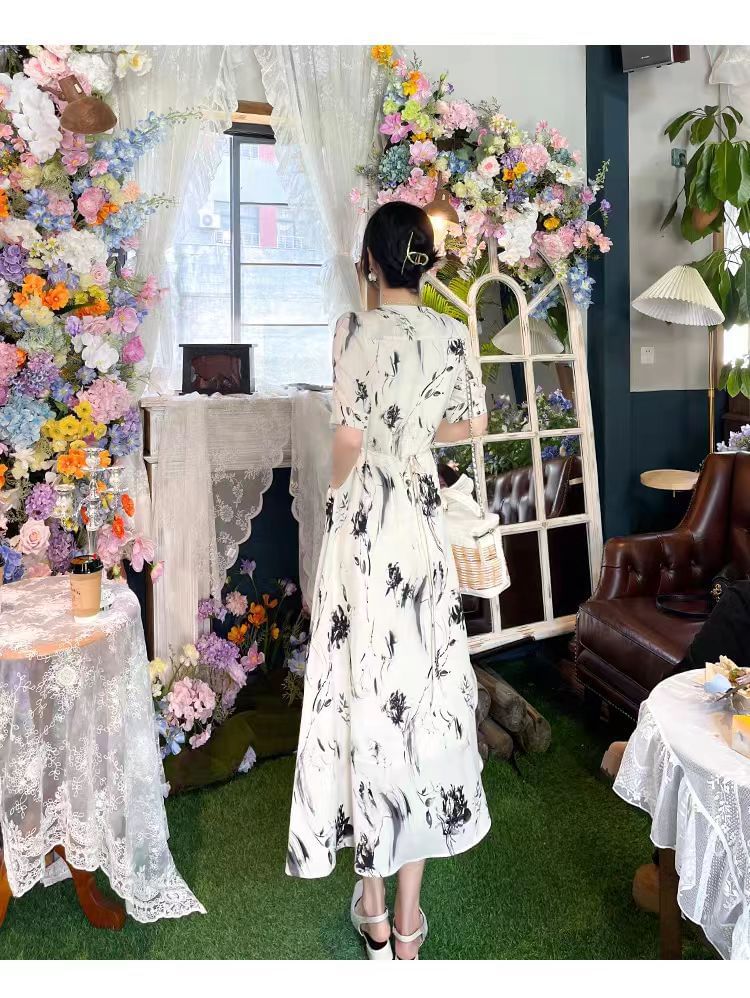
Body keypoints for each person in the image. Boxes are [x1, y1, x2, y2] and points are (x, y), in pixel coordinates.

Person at [286, 201, 491, 960]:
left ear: (371, 262)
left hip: (366, 531)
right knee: (422, 704)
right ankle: (407, 926)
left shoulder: (352, 330)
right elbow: (471, 427)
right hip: (422, 531)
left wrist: (338, 491)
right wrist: (415, 434)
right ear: (426, 262)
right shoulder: (453, 333)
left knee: (362, 695)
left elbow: (347, 435)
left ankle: (371, 914)